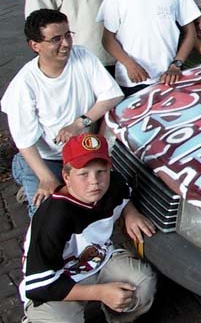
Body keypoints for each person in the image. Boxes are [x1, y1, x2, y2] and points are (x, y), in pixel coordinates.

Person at [20, 133, 157, 322]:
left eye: (101, 171)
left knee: (142, 285)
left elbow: (124, 196)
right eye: (83, 174)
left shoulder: (112, 184)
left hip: (98, 261)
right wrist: (100, 293)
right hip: (58, 280)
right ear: (66, 177)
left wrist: (130, 213)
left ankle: (117, 316)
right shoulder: (52, 218)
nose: (94, 181)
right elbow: (39, 286)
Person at [1, 10, 123, 218]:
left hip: (81, 153)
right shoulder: (24, 85)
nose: (66, 44)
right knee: (48, 213)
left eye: (68, 35)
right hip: (45, 157)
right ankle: (25, 172)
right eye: (56, 39)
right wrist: (45, 177)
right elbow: (24, 142)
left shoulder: (83, 56)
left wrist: (80, 123)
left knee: (102, 202)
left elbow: (112, 95)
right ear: (35, 46)